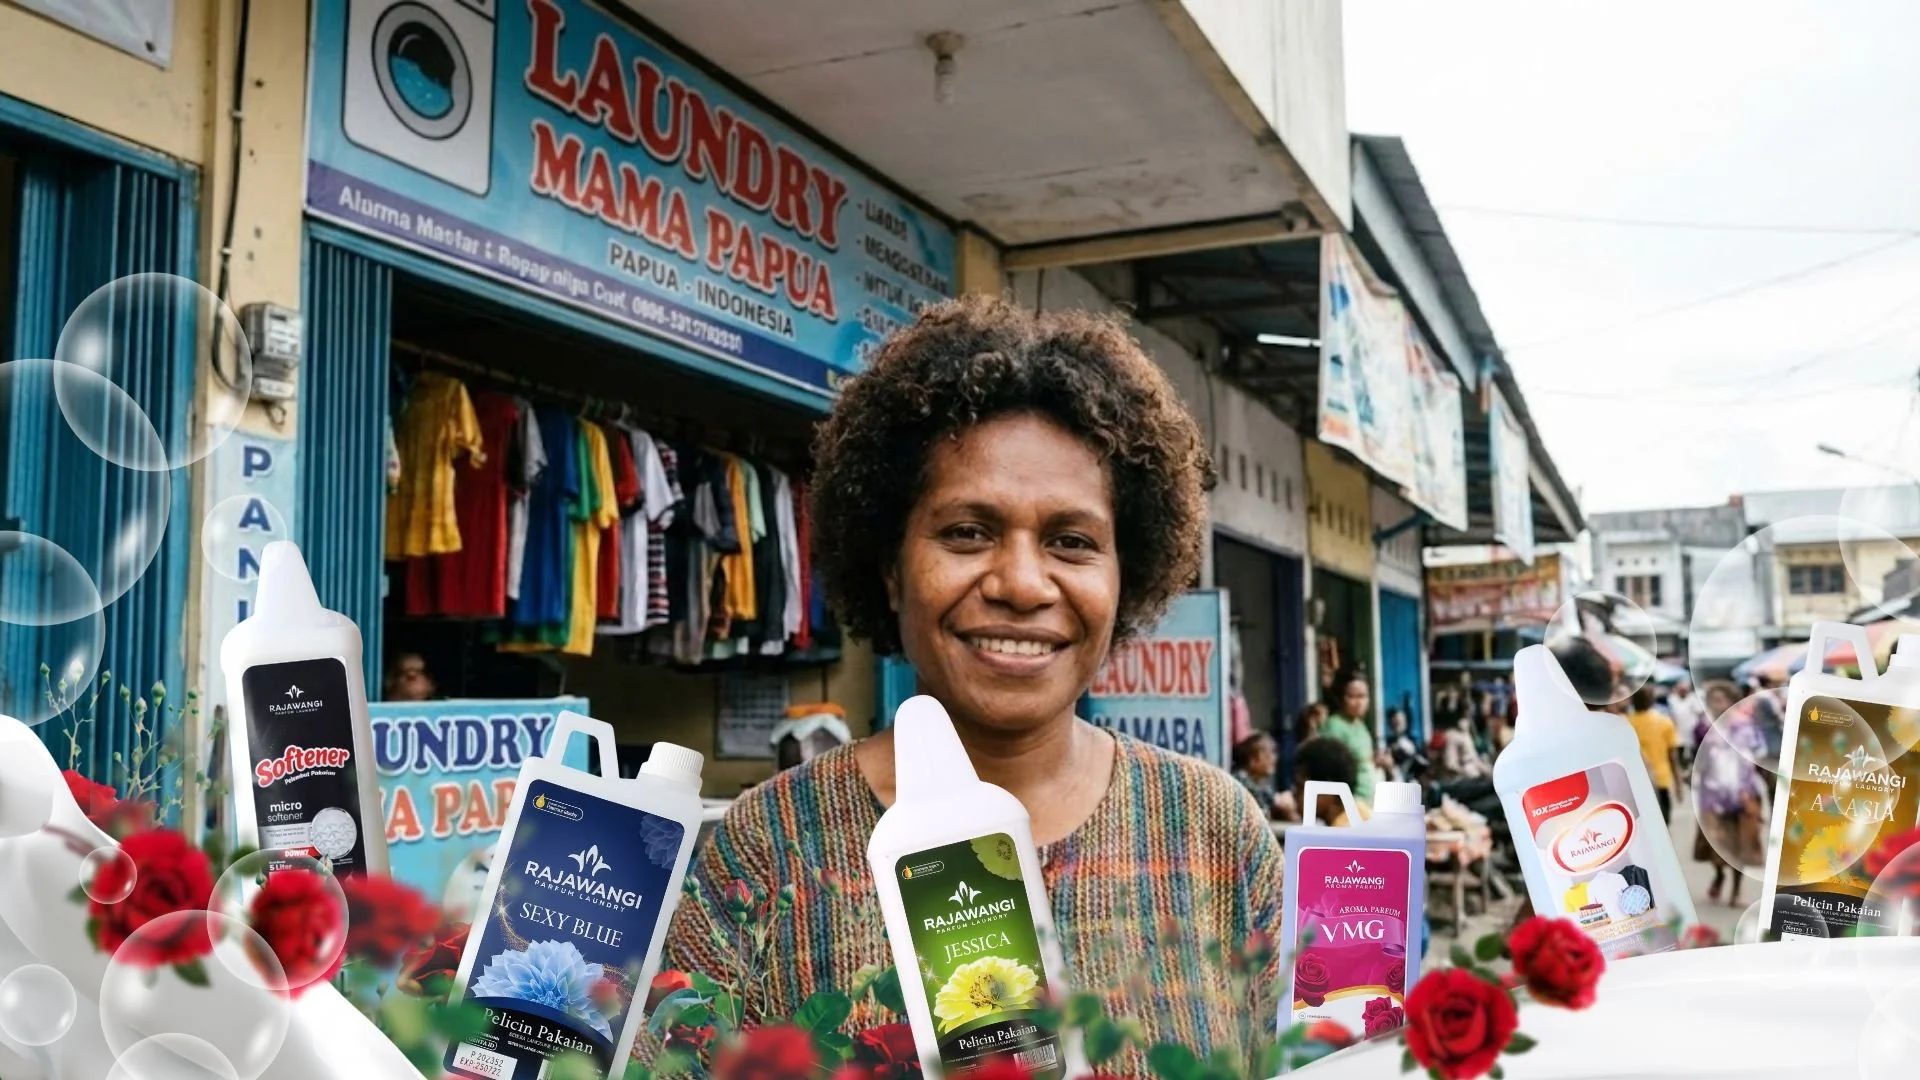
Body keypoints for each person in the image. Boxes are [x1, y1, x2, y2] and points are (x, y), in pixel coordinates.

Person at [658, 295, 1280, 1071]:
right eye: (967, 532)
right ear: (890, 568)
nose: (1022, 583)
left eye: (1072, 541)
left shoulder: (1213, 830)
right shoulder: (769, 849)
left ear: (1128, 573)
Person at [1691, 679, 1768, 905]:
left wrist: (1749, 787)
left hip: (1743, 796)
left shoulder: (1746, 727)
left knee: (1741, 846)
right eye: (1711, 701)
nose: (1715, 705)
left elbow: (1756, 755)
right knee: (1716, 845)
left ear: (1732, 702)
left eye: (1720, 700)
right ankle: (1719, 875)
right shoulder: (1703, 727)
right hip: (1713, 798)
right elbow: (1700, 759)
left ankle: (1736, 890)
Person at [1319, 672, 1387, 803]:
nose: (1358, 702)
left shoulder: (1361, 727)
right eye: (1352, 696)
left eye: (1362, 696)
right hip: (1350, 801)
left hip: (1368, 798)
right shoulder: (1334, 726)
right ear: (1341, 698)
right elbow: (1330, 767)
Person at [1275, 736, 1369, 826]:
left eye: (1301, 787)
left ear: (1328, 789)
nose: (1294, 794)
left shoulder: (1341, 836)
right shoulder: (1362, 814)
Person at [1626, 683, 1685, 822]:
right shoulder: (1664, 722)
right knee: (1664, 823)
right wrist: (1679, 785)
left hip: (1637, 782)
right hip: (1661, 780)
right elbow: (1673, 758)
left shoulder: (1626, 724)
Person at [1231, 732, 1285, 818]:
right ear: (1252, 759)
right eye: (1268, 754)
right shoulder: (1240, 783)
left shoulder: (1261, 785)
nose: (1274, 758)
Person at [1437, 710, 1490, 782]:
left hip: (1475, 767)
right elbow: (1450, 763)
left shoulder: (1466, 735)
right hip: (1466, 772)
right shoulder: (1451, 735)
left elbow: (1474, 758)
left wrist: (1487, 771)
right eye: (1463, 718)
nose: (1465, 722)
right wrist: (1462, 772)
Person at [1667, 679, 1709, 765]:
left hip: (1692, 730)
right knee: (1680, 751)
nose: (1683, 692)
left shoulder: (1693, 699)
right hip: (1678, 730)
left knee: (1694, 751)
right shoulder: (1672, 699)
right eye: (1681, 690)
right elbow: (1671, 714)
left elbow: (1700, 711)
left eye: (1685, 690)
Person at [1384, 707, 1428, 782]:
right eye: (1396, 722)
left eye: (1402, 721)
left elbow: (1423, 763)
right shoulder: (1387, 743)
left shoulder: (1411, 742)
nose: (1399, 724)